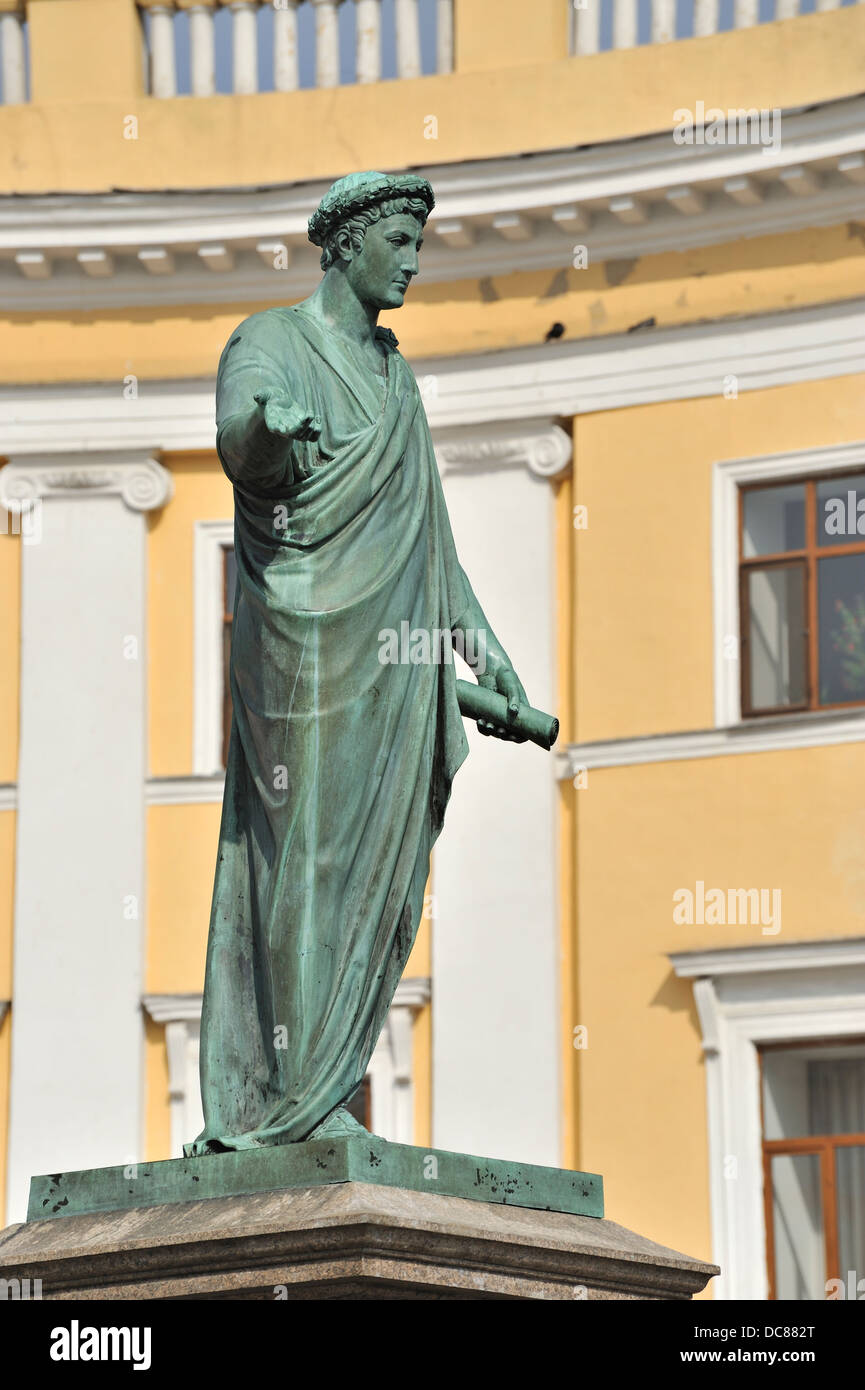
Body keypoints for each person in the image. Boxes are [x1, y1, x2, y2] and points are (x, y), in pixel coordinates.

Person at [185, 171, 528, 1155]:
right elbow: (242, 434)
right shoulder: (270, 341)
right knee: (308, 856)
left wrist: (488, 658)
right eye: (402, 243)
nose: (415, 262)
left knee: (372, 873)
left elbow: (434, 546)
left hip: (394, 658)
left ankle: (318, 1082)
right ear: (346, 245)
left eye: (421, 244)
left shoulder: (394, 374)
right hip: (300, 646)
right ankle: (293, 1100)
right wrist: (266, 431)